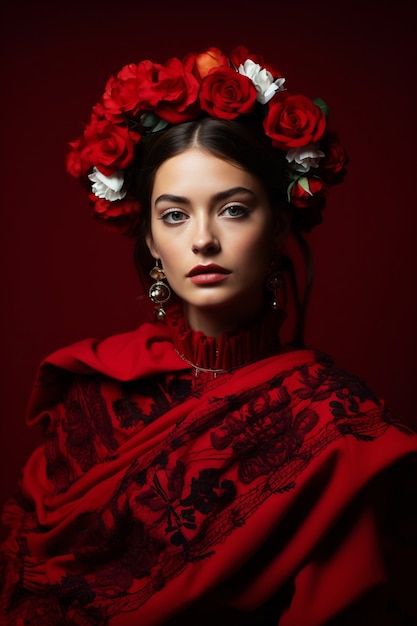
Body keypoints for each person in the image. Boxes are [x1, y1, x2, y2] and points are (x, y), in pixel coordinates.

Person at [0, 45, 416, 626]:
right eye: (175, 215)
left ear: (279, 226)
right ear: (147, 237)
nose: (202, 240)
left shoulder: (339, 428)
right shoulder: (90, 390)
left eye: (233, 210)